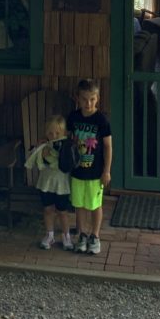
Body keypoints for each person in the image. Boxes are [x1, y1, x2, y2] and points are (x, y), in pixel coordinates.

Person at [66, 78, 112, 255]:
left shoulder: (101, 120)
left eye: (92, 99)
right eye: (85, 99)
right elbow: (68, 141)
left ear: (97, 98)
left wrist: (106, 170)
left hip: (95, 171)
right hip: (78, 170)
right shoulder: (73, 117)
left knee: (95, 204)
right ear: (78, 98)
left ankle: (95, 235)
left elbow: (108, 146)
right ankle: (82, 234)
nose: (88, 103)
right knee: (79, 205)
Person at [24, 114, 75, 250]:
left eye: (57, 133)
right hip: (46, 183)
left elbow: (66, 163)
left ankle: (66, 236)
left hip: (61, 185)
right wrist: (41, 151)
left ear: (64, 133)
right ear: (46, 134)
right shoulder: (44, 147)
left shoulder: (66, 147)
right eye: (50, 133)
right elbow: (35, 157)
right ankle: (49, 235)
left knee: (62, 211)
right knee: (48, 209)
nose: (54, 136)